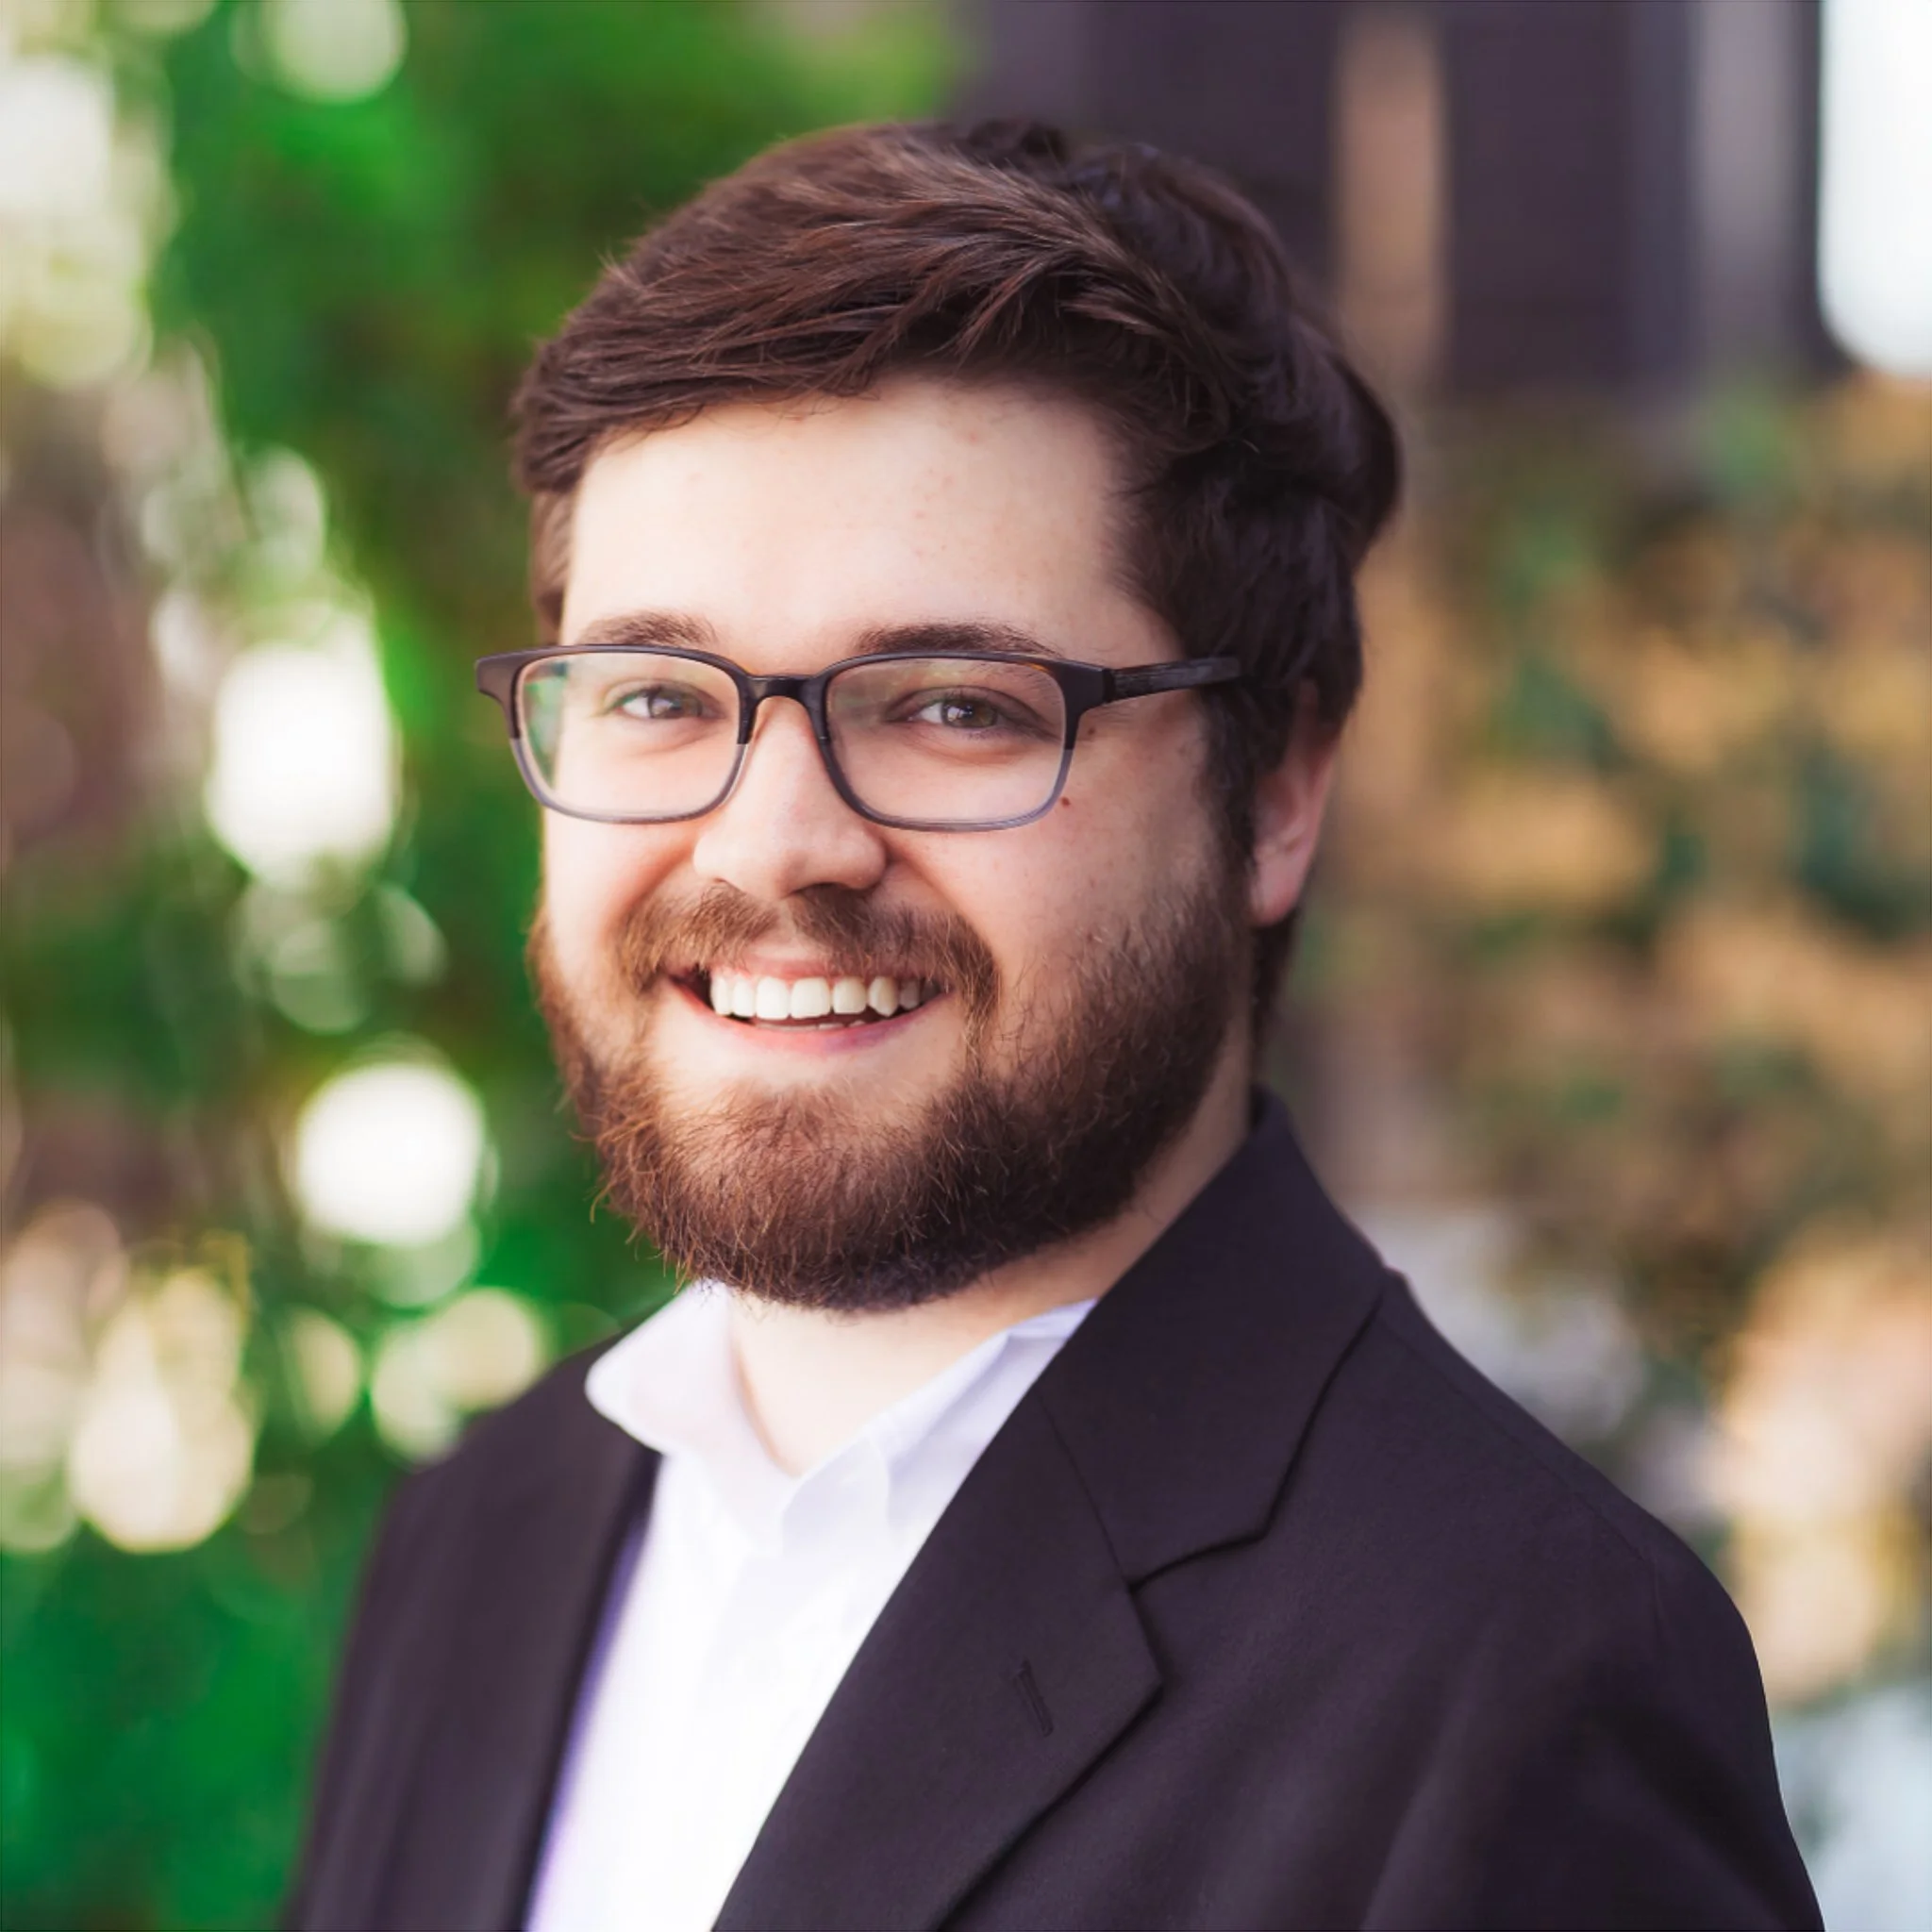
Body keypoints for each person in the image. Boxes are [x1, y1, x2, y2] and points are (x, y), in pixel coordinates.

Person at [291, 120, 1820, 1932]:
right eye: (655, 693)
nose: (776, 840)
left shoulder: (1522, 1686)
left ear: (1275, 794)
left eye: (951, 704)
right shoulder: (484, 1537)